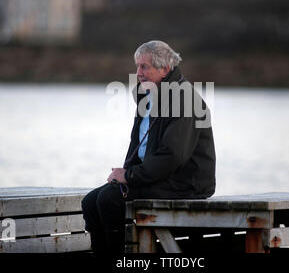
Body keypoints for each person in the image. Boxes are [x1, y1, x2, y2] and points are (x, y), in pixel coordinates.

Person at [81, 40, 216, 253]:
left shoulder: (185, 100)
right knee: (90, 202)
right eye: (137, 66)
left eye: (144, 66)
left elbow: (171, 156)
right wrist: (123, 174)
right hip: (159, 177)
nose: (138, 72)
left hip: (184, 183)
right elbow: (138, 145)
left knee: (108, 200)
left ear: (164, 68)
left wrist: (130, 176)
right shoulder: (148, 96)